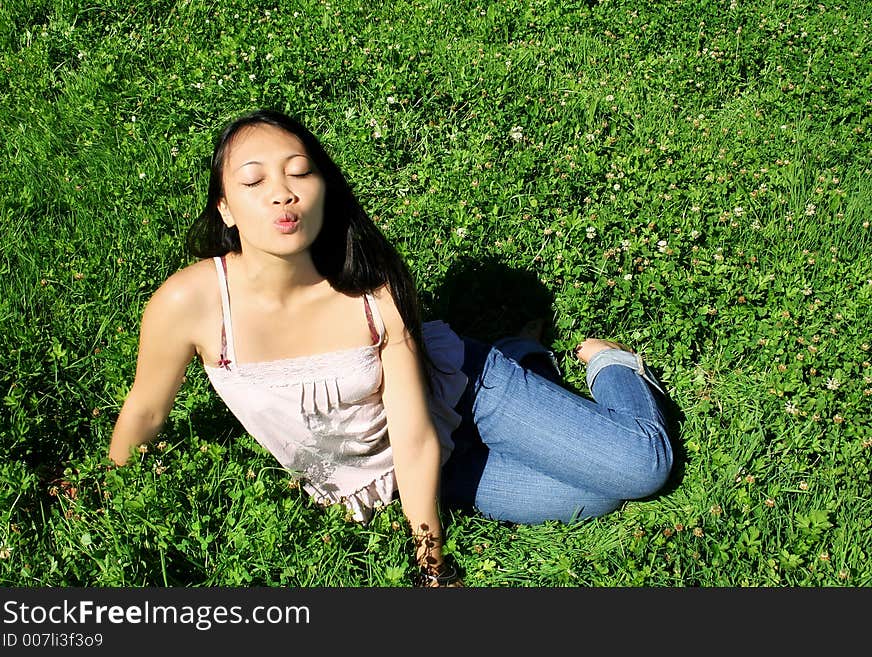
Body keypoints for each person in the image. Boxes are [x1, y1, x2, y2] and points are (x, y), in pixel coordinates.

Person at [108, 109, 675, 587]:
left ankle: (609, 363)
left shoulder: (370, 291)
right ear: (225, 209)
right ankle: (527, 358)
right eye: (253, 182)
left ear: (323, 191)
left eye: (299, 173)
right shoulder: (191, 302)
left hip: (466, 389)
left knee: (641, 469)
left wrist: (429, 561)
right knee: (595, 500)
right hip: (416, 471)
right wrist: (110, 495)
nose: (282, 192)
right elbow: (147, 409)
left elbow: (410, 428)